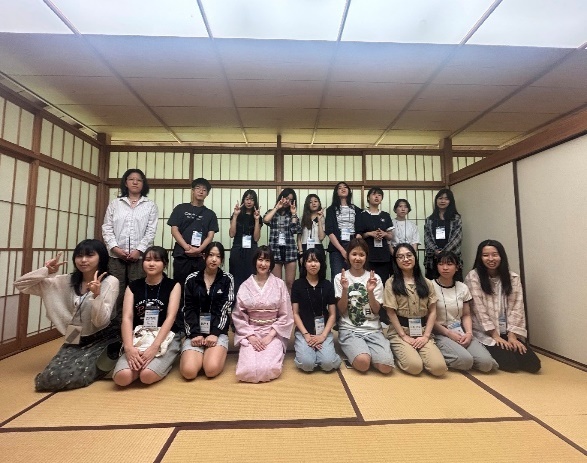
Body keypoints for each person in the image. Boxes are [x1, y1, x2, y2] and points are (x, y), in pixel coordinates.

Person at [14, 239, 119, 391]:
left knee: (74, 375)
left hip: (102, 336)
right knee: (48, 378)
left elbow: (100, 322)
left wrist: (97, 296)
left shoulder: (110, 282)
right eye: (79, 256)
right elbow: (20, 285)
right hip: (74, 335)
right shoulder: (66, 281)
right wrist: (46, 271)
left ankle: (108, 364)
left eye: (89, 255)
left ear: (101, 257)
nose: (83, 260)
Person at [465, 240, 541, 373]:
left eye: (495, 255)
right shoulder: (473, 277)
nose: (490, 259)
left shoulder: (513, 278)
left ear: (501, 256)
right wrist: (495, 336)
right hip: (486, 332)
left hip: (507, 331)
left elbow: (517, 308)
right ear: (480, 258)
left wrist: (512, 337)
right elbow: (479, 310)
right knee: (511, 364)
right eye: (485, 255)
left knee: (533, 365)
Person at [113, 246, 181, 386]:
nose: (151, 264)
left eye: (157, 260)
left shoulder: (173, 285)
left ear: (165, 264)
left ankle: (161, 364)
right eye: (148, 260)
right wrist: (129, 348)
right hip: (139, 335)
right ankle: (140, 365)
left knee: (147, 376)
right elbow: (127, 318)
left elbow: (171, 317)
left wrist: (154, 347)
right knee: (122, 378)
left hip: (165, 336)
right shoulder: (133, 286)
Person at [383, 243, 447, 376]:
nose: (405, 259)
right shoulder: (391, 283)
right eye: (400, 257)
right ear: (396, 261)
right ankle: (398, 352)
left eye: (409, 255)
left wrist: (426, 336)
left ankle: (418, 352)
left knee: (439, 368)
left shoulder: (427, 283)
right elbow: (390, 312)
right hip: (400, 331)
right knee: (415, 367)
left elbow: (432, 311)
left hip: (422, 331)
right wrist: (403, 336)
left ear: (414, 257)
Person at [102, 168, 158, 318]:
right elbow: (107, 227)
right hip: (115, 256)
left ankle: (136, 324)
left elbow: (151, 231)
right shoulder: (115, 204)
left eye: (139, 180)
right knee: (115, 291)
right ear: (125, 183)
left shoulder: (150, 205)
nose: (135, 182)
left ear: (143, 184)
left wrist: (139, 250)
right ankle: (115, 326)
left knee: (137, 290)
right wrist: (115, 248)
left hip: (139, 257)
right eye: (131, 179)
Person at [232, 246, 294, 383]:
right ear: (255, 261)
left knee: (268, 368)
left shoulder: (279, 284)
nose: (263, 264)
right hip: (250, 332)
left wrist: (270, 336)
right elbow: (239, 315)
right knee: (247, 369)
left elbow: (286, 315)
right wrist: (251, 336)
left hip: (273, 332)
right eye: (260, 260)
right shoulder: (245, 285)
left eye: (267, 260)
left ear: (271, 263)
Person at [334, 238, 394, 374]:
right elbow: (341, 309)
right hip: (350, 330)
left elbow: (376, 310)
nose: (357, 258)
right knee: (363, 363)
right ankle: (361, 353)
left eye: (361, 255)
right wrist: (345, 289)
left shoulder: (375, 278)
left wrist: (370, 292)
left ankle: (368, 353)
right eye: (354, 254)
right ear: (348, 256)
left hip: (373, 330)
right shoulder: (340, 277)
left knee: (386, 367)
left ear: (366, 257)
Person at [432, 251, 497, 372]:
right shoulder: (430, 286)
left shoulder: (462, 287)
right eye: (441, 264)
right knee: (465, 361)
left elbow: (466, 314)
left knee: (486, 364)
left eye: (449, 264)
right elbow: (429, 318)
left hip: (460, 331)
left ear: (457, 267)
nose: (445, 268)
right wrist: (448, 333)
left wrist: (469, 333)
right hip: (439, 333)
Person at [180, 242, 234, 379]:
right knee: (189, 372)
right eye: (211, 255)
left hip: (217, 331)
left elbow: (225, 309)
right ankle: (198, 354)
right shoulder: (191, 279)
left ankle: (210, 354)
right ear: (204, 256)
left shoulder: (227, 279)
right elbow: (188, 308)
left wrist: (215, 333)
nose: (214, 259)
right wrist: (195, 333)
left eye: (218, 256)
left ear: (222, 259)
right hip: (195, 331)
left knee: (210, 370)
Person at [292, 248, 341, 372]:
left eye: (316, 261)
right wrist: (306, 335)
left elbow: (332, 314)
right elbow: (295, 313)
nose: (313, 264)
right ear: (304, 264)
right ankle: (311, 353)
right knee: (307, 364)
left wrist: (323, 336)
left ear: (321, 264)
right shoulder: (297, 284)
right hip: (304, 332)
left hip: (323, 331)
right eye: (309, 261)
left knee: (328, 364)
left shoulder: (327, 285)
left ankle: (322, 355)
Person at [167, 178, 218, 286]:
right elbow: (174, 230)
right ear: (193, 190)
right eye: (198, 188)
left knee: (199, 286)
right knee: (180, 285)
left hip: (200, 256)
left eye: (204, 190)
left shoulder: (210, 214)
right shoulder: (180, 208)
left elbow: (210, 236)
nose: (201, 191)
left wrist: (199, 249)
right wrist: (186, 247)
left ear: (207, 193)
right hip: (182, 254)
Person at [263, 188, 301, 294]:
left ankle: (288, 304)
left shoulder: (293, 215)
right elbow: (265, 220)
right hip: (275, 250)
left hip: (290, 250)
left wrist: (294, 214)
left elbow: (295, 230)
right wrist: (276, 207)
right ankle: (278, 304)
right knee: (276, 283)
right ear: (281, 197)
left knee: (290, 283)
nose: (287, 201)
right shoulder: (272, 212)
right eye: (286, 198)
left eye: (291, 200)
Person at [326, 181, 363, 281]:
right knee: (337, 276)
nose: (343, 189)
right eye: (340, 188)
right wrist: (342, 250)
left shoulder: (356, 209)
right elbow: (329, 231)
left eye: (345, 187)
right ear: (336, 192)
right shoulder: (331, 210)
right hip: (336, 246)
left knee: (353, 276)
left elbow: (360, 230)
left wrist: (356, 245)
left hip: (353, 244)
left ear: (349, 191)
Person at [228, 189, 262, 295]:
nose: (249, 202)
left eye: (252, 199)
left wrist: (257, 220)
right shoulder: (236, 214)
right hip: (237, 248)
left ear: (255, 202)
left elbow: (256, 238)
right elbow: (231, 234)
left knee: (251, 277)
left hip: (252, 250)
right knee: (236, 277)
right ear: (243, 200)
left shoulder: (257, 216)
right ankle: (235, 302)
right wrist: (235, 215)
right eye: (247, 199)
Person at [424, 189, 463, 280]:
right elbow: (427, 238)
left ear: (450, 201)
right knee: (432, 285)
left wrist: (443, 253)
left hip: (451, 258)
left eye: (446, 199)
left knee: (453, 284)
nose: (443, 201)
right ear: (436, 200)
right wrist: (435, 251)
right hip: (433, 258)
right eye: (440, 198)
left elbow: (457, 238)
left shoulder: (456, 218)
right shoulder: (430, 219)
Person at [358, 187, 394, 284]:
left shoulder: (386, 215)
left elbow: (391, 236)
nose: (377, 197)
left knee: (383, 282)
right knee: (367, 281)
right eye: (374, 194)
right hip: (368, 254)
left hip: (384, 255)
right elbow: (358, 236)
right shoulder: (362, 215)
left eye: (379, 195)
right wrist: (370, 233)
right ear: (368, 197)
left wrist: (385, 234)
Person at [297, 194, 326, 268]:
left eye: (316, 201)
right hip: (304, 247)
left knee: (319, 271)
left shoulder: (323, 219)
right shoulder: (302, 219)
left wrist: (319, 220)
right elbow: (299, 238)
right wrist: (301, 253)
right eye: (310, 202)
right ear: (307, 204)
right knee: (304, 271)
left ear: (319, 203)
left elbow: (321, 237)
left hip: (318, 246)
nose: (313, 203)